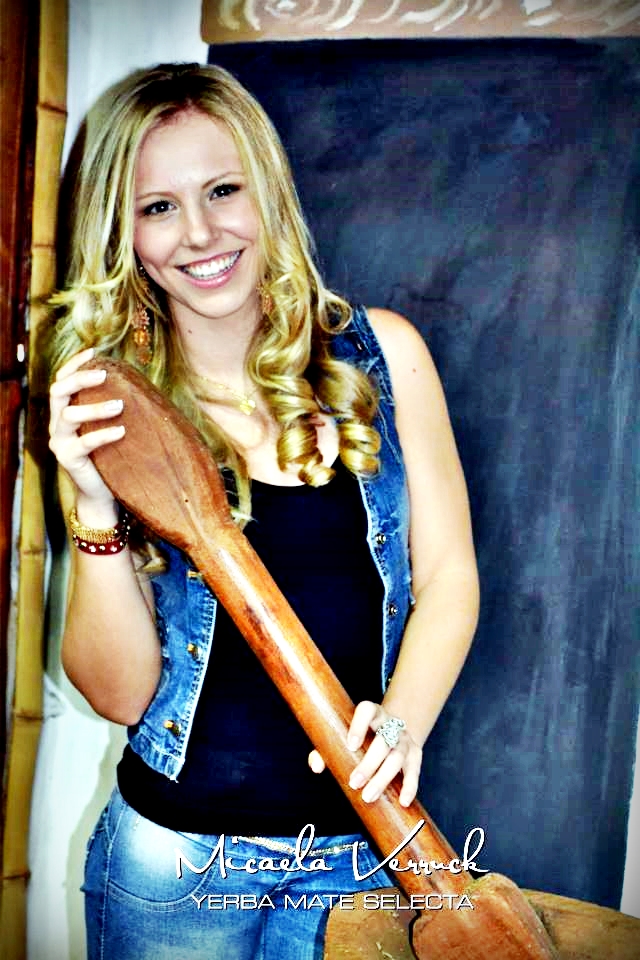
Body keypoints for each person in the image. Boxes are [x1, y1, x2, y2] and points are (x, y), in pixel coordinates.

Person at [47, 62, 479, 960]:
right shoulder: (113, 414)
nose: (200, 233)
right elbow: (118, 693)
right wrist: (90, 498)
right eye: (157, 206)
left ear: (267, 190)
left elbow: (448, 579)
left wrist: (401, 722)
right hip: (176, 865)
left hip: (363, 854)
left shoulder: (385, 358)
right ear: (123, 233)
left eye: (222, 190)